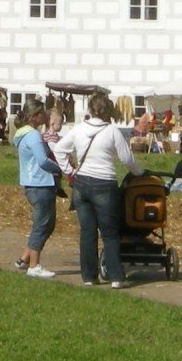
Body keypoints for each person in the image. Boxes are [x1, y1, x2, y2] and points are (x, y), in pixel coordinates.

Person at [56, 93, 144, 288]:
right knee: (110, 233)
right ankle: (115, 276)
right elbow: (127, 159)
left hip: (82, 184)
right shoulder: (112, 131)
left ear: (90, 109)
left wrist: (70, 171)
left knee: (87, 232)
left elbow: (59, 149)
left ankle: (89, 276)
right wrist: (140, 172)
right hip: (105, 184)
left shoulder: (79, 129)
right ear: (108, 111)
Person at [12, 101, 59, 278]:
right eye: (42, 113)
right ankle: (34, 265)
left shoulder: (23, 134)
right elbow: (42, 160)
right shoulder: (33, 136)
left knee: (44, 223)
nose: (45, 115)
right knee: (43, 224)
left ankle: (24, 259)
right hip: (40, 184)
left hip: (31, 183)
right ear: (34, 117)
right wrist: (59, 168)